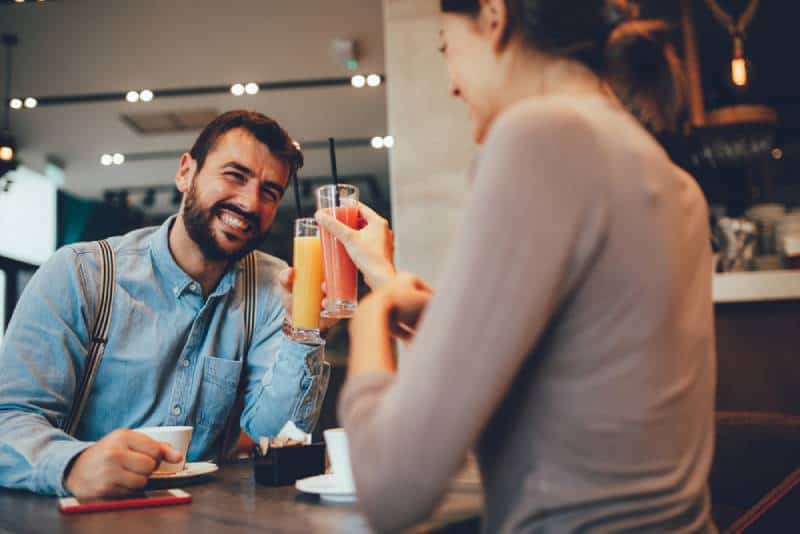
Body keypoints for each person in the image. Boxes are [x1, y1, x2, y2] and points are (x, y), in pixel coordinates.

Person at [313, 0, 716, 531]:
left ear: (495, 17)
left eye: (446, 47)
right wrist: (386, 281)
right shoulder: (670, 178)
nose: (451, 83)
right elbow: (567, 370)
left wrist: (368, 315)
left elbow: (391, 487)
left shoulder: (542, 136)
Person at [0, 111, 329, 499]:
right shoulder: (80, 274)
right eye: (234, 175)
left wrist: (303, 333)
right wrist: (72, 464)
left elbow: (276, 437)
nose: (249, 202)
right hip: (79, 515)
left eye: (270, 192)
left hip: (203, 518)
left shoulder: (274, 287)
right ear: (186, 173)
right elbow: (9, 419)